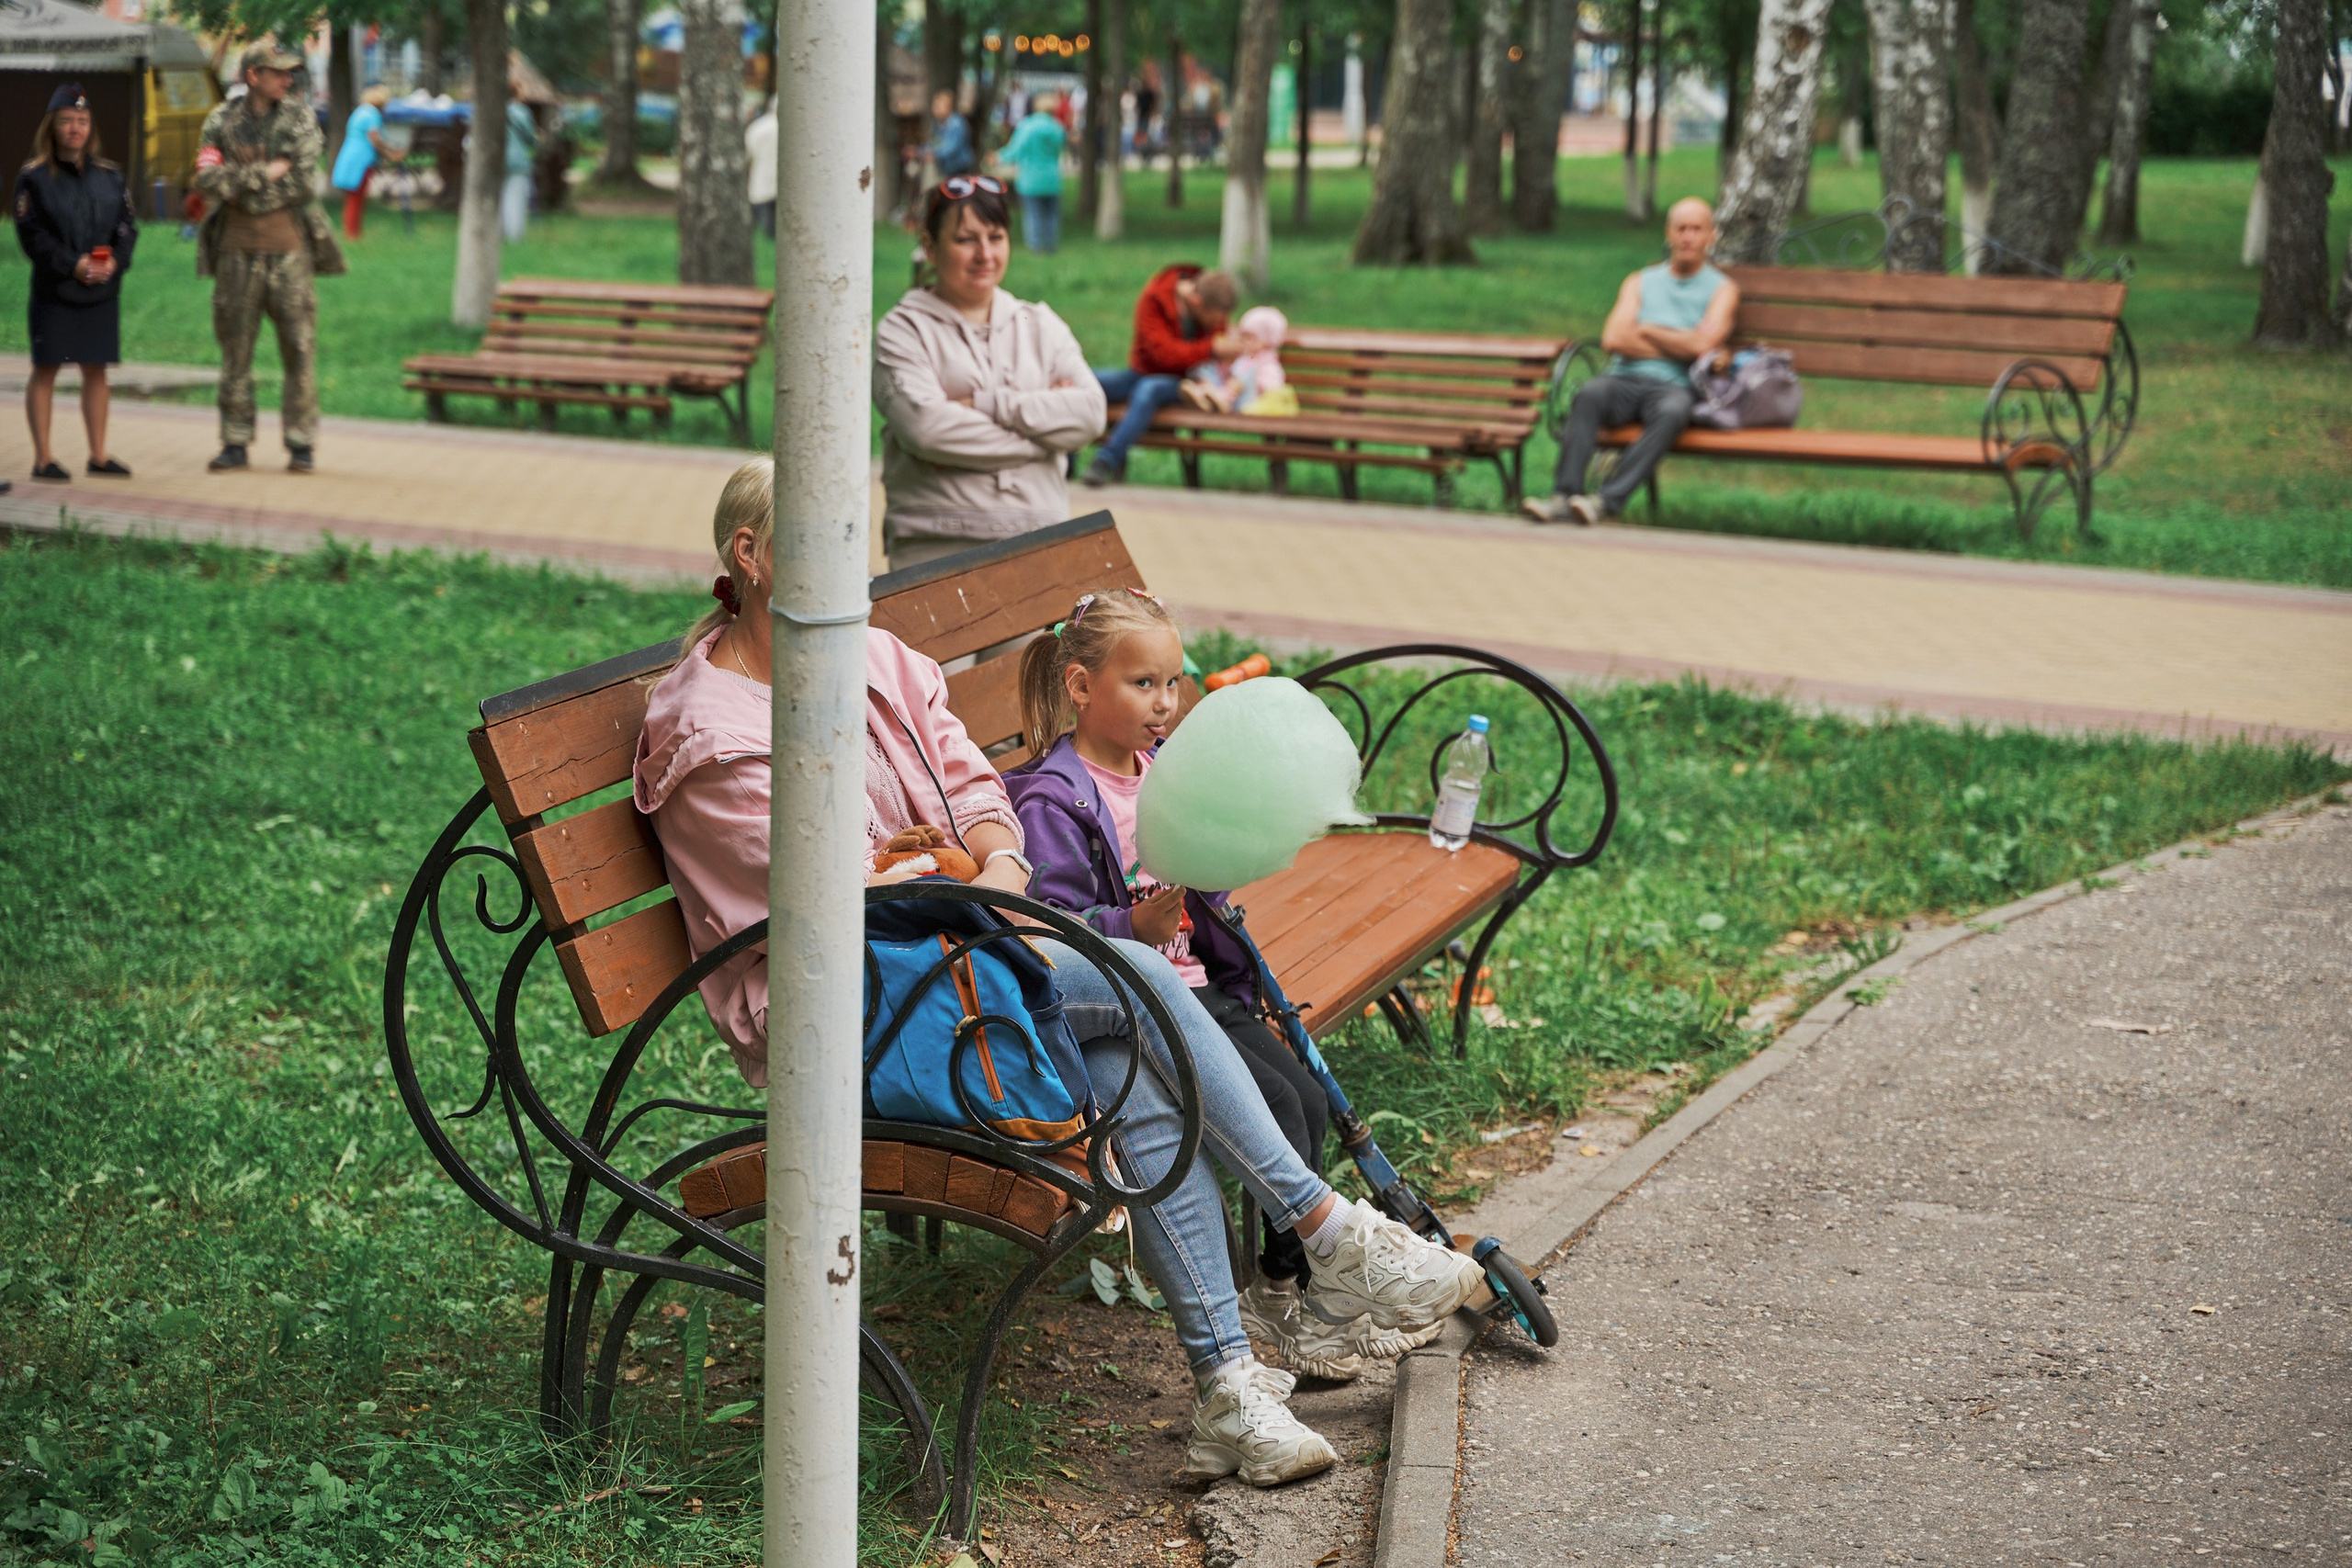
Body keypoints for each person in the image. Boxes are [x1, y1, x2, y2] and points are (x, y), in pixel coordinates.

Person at [633, 457, 1494, 1485]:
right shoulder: (711, 733)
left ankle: (1227, 1387)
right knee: (1138, 976)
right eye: (830, 536)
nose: (860, 566)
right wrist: (966, 874)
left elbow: (972, 791)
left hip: (964, 962)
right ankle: (1327, 1232)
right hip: (852, 1013)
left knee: (1134, 1065)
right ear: (752, 557)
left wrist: (982, 863)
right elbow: (833, 901)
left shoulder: (880, 661)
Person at [1003, 589, 1444, 1380]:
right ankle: (1287, 1295)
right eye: (1143, 684)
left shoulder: (1162, 772)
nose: (1165, 704)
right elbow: (1048, 930)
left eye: (1173, 684)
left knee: (1305, 1101)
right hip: (1128, 999)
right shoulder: (1053, 798)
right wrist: (1128, 928)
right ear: (1079, 687)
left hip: (1205, 987)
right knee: (1277, 1105)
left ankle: (1284, 1294)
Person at [871, 176, 1103, 570]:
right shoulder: (902, 332)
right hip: (937, 544)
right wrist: (1046, 440)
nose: (985, 254)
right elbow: (928, 430)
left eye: (996, 237)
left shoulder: (1040, 323)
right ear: (930, 247)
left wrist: (985, 404)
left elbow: (1092, 414)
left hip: (1041, 540)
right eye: (965, 240)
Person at [1521, 197, 1739, 526]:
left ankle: (1604, 501)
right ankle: (1563, 497)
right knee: (1589, 394)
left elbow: (1703, 345)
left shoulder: (1722, 290)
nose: (1687, 237)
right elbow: (1613, 339)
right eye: (1681, 229)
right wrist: (1682, 342)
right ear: (1668, 233)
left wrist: (1648, 329)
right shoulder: (1640, 282)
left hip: (1674, 385)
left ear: (1712, 236)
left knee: (1674, 411)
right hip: (1623, 379)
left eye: (1697, 229)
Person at [193, 38, 346, 475]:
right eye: (277, 71)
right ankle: (235, 442)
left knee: (299, 348)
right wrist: (264, 172)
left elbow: (300, 182)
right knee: (235, 351)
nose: (287, 78)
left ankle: (301, 445)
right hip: (235, 255)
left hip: (290, 254)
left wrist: (240, 181)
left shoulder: (299, 118)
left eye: (289, 72)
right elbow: (205, 178)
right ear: (253, 76)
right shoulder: (220, 120)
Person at [14, 84, 137, 482]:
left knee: (96, 370)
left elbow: (126, 226)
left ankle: (98, 455)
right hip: (56, 291)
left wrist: (115, 262)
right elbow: (32, 236)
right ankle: (44, 458)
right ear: (52, 127)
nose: (75, 129)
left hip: (102, 289)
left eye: (82, 121)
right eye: (66, 121)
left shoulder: (111, 176)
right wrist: (74, 265)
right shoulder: (33, 179)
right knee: (47, 369)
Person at [1080, 264, 1238, 488]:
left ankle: (1104, 462)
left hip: (1186, 383)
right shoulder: (1155, 300)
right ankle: (1066, 457)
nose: (1220, 323)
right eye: (1216, 317)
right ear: (1197, 302)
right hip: (1144, 372)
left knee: (1148, 390)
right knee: (1086, 382)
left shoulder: (1210, 295)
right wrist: (1210, 349)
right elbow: (1163, 354)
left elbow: (1217, 346)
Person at [1182, 303, 1288, 413]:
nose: (1245, 341)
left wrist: (1257, 382)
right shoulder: (1245, 356)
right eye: (1243, 336)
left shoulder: (1267, 362)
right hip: (1229, 394)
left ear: (1267, 342)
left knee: (1246, 370)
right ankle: (1202, 395)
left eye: (1250, 337)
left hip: (1248, 402)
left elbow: (1273, 387)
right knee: (1208, 367)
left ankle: (1219, 399)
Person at [998, 91, 1066, 254]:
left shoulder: (1027, 126)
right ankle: (1050, 246)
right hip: (1052, 178)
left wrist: (998, 157)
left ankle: (1036, 248)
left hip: (1031, 178)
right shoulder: (1058, 128)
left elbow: (1015, 150)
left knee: (1033, 215)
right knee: (1051, 215)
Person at [331, 85, 398, 240]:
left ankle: (352, 231)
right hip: (361, 160)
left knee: (352, 198)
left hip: (349, 156)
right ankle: (353, 234)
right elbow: (375, 139)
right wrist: (389, 153)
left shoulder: (360, 111)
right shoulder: (373, 114)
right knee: (357, 198)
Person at [502, 97, 537, 243]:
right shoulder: (520, 112)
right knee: (515, 199)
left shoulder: (487, 110)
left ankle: (499, 232)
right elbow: (530, 137)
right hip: (517, 160)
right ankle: (514, 235)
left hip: (493, 161)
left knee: (499, 198)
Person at [745, 97, 776, 241]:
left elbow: (748, 154)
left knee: (767, 224)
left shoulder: (757, 127)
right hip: (782, 183)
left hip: (761, 180)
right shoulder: (791, 128)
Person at [927, 89, 975, 180]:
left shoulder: (956, 124)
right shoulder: (937, 124)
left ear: (948, 106)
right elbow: (934, 143)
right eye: (934, 106)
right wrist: (920, 152)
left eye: (938, 106)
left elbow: (951, 147)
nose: (934, 109)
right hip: (946, 169)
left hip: (959, 168)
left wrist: (934, 155)